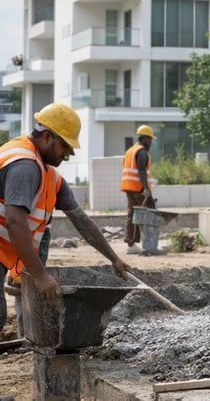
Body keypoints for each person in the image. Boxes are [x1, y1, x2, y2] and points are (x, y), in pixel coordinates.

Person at [0, 102, 131, 330]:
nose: (69, 154)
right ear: (48, 137)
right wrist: (40, 276)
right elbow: (15, 221)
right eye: (65, 146)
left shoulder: (49, 175)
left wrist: (114, 258)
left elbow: (81, 220)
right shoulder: (25, 166)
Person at [121, 124, 156, 254]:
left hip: (128, 187)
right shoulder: (141, 151)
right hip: (138, 188)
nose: (151, 142)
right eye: (150, 139)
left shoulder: (130, 150)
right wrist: (146, 189)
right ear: (145, 138)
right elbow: (141, 170)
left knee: (132, 214)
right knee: (141, 215)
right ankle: (142, 243)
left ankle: (131, 243)